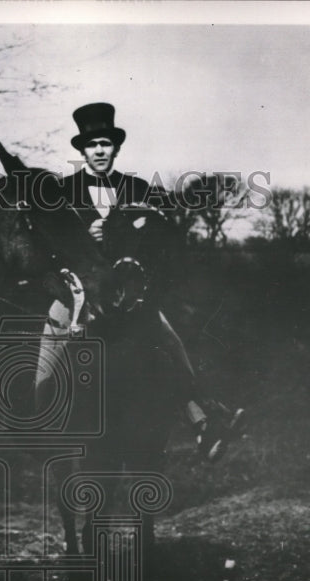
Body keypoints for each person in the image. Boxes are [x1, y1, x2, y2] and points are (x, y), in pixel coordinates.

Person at [40, 102, 243, 459]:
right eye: (92, 145)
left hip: (129, 297)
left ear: (116, 148)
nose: (99, 150)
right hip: (78, 296)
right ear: (82, 151)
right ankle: (39, 426)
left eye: (105, 143)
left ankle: (204, 420)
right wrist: (86, 236)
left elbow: (162, 241)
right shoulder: (62, 193)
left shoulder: (136, 188)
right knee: (48, 350)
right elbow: (50, 250)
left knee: (169, 339)